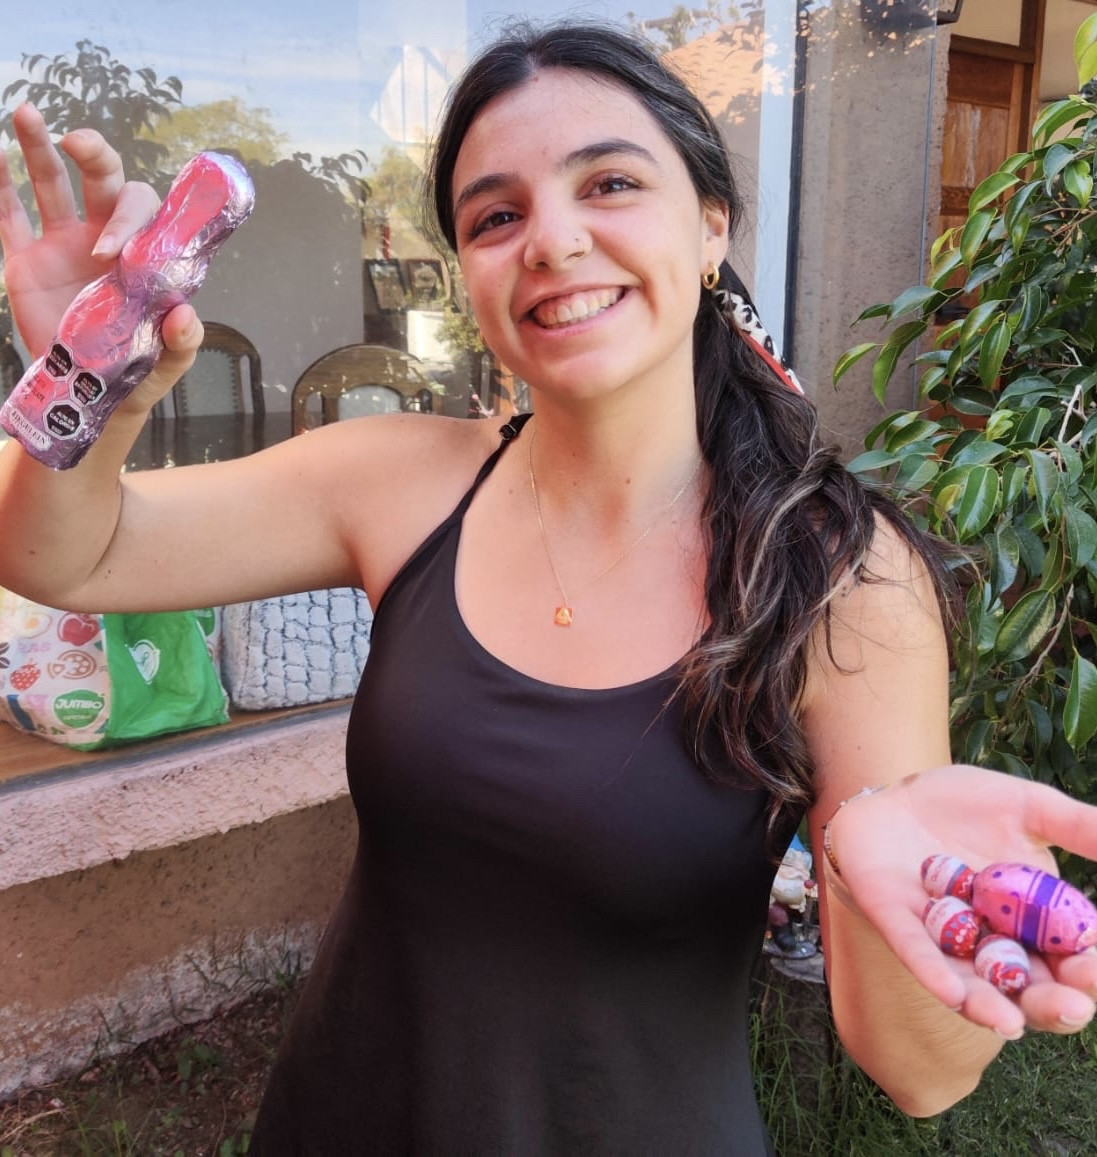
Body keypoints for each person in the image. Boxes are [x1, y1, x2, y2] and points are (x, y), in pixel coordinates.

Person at [3, 19, 1097, 1154]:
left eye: (609, 182)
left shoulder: (838, 576)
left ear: (710, 223)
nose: (553, 242)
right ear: (466, 276)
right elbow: (64, 556)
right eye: (496, 216)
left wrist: (898, 881)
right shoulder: (400, 481)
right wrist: (88, 377)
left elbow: (921, 1075)